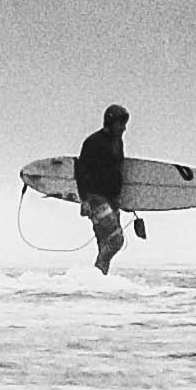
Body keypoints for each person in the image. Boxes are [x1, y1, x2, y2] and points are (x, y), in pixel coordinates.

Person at [76, 102, 140, 272]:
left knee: (104, 242)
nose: (124, 128)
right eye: (121, 124)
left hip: (112, 199)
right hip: (95, 198)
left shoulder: (118, 142)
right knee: (115, 240)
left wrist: (121, 199)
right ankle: (97, 273)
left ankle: (99, 279)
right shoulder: (93, 142)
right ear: (111, 123)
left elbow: (118, 170)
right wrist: (84, 200)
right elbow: (80, 172)